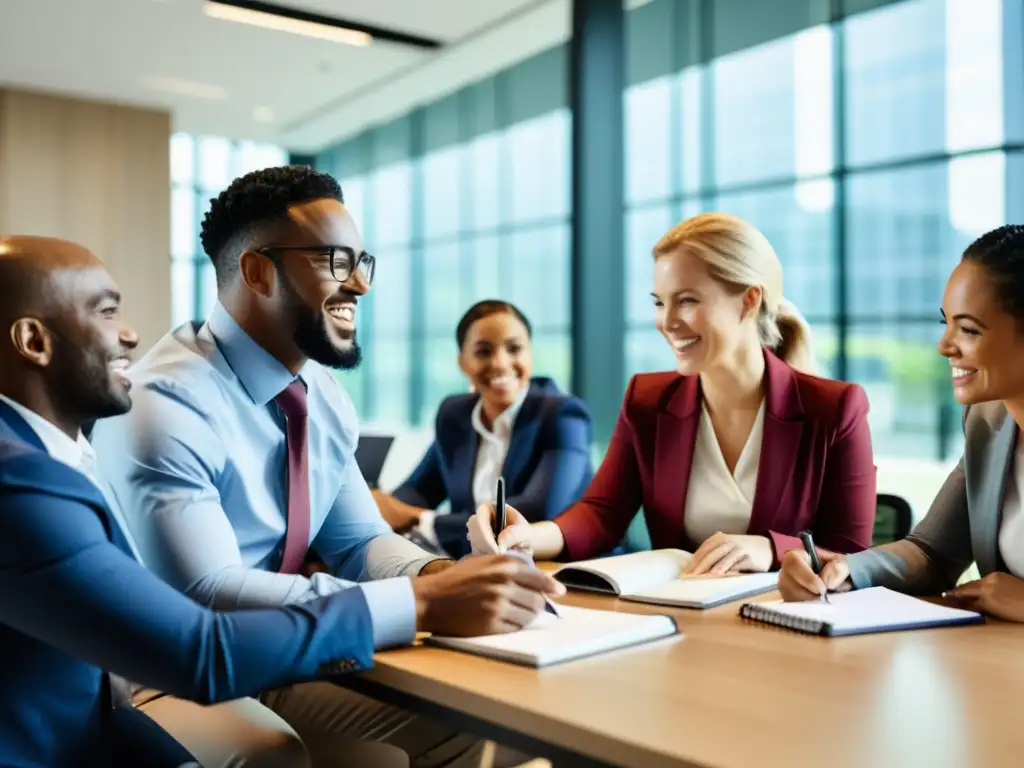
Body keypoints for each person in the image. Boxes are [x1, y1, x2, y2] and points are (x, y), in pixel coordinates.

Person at [0, 235, 561, 768]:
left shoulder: (322, 395)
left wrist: (446, 572)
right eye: (105, 312)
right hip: (162, 673)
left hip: (173, 674)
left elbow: (359, 540)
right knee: (271, 752)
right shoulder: (32, 479)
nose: (129, 335)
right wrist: (422, 601)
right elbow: (199, 632)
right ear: (260, 272)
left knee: (476, 725)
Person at [469, 212, 877, 571]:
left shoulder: (835, 409)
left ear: (749, 301)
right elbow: (601, 514)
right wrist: (526, 538)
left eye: (686, 300)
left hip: (787, 633)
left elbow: (853, 555)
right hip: (680, 624)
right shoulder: (647, 400)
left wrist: (771, 550)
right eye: (659, 303)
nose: (667, 322)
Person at [778, 224, 1024, 621]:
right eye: (946, 323)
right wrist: (846, 572)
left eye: (969, 329)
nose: (944, 345)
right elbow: (934, 553)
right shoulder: (988, 421)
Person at [373, 300, 594, 558]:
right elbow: (420, 490)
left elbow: (535, 513)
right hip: (481, 566)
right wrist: (378, 505)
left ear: (530, 354)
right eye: (483, 352)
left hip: (569, 572)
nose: (500, 363)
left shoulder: (564, 416)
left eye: (515, 349)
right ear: (462, 362)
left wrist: (419, 520)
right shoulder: (455, 414)